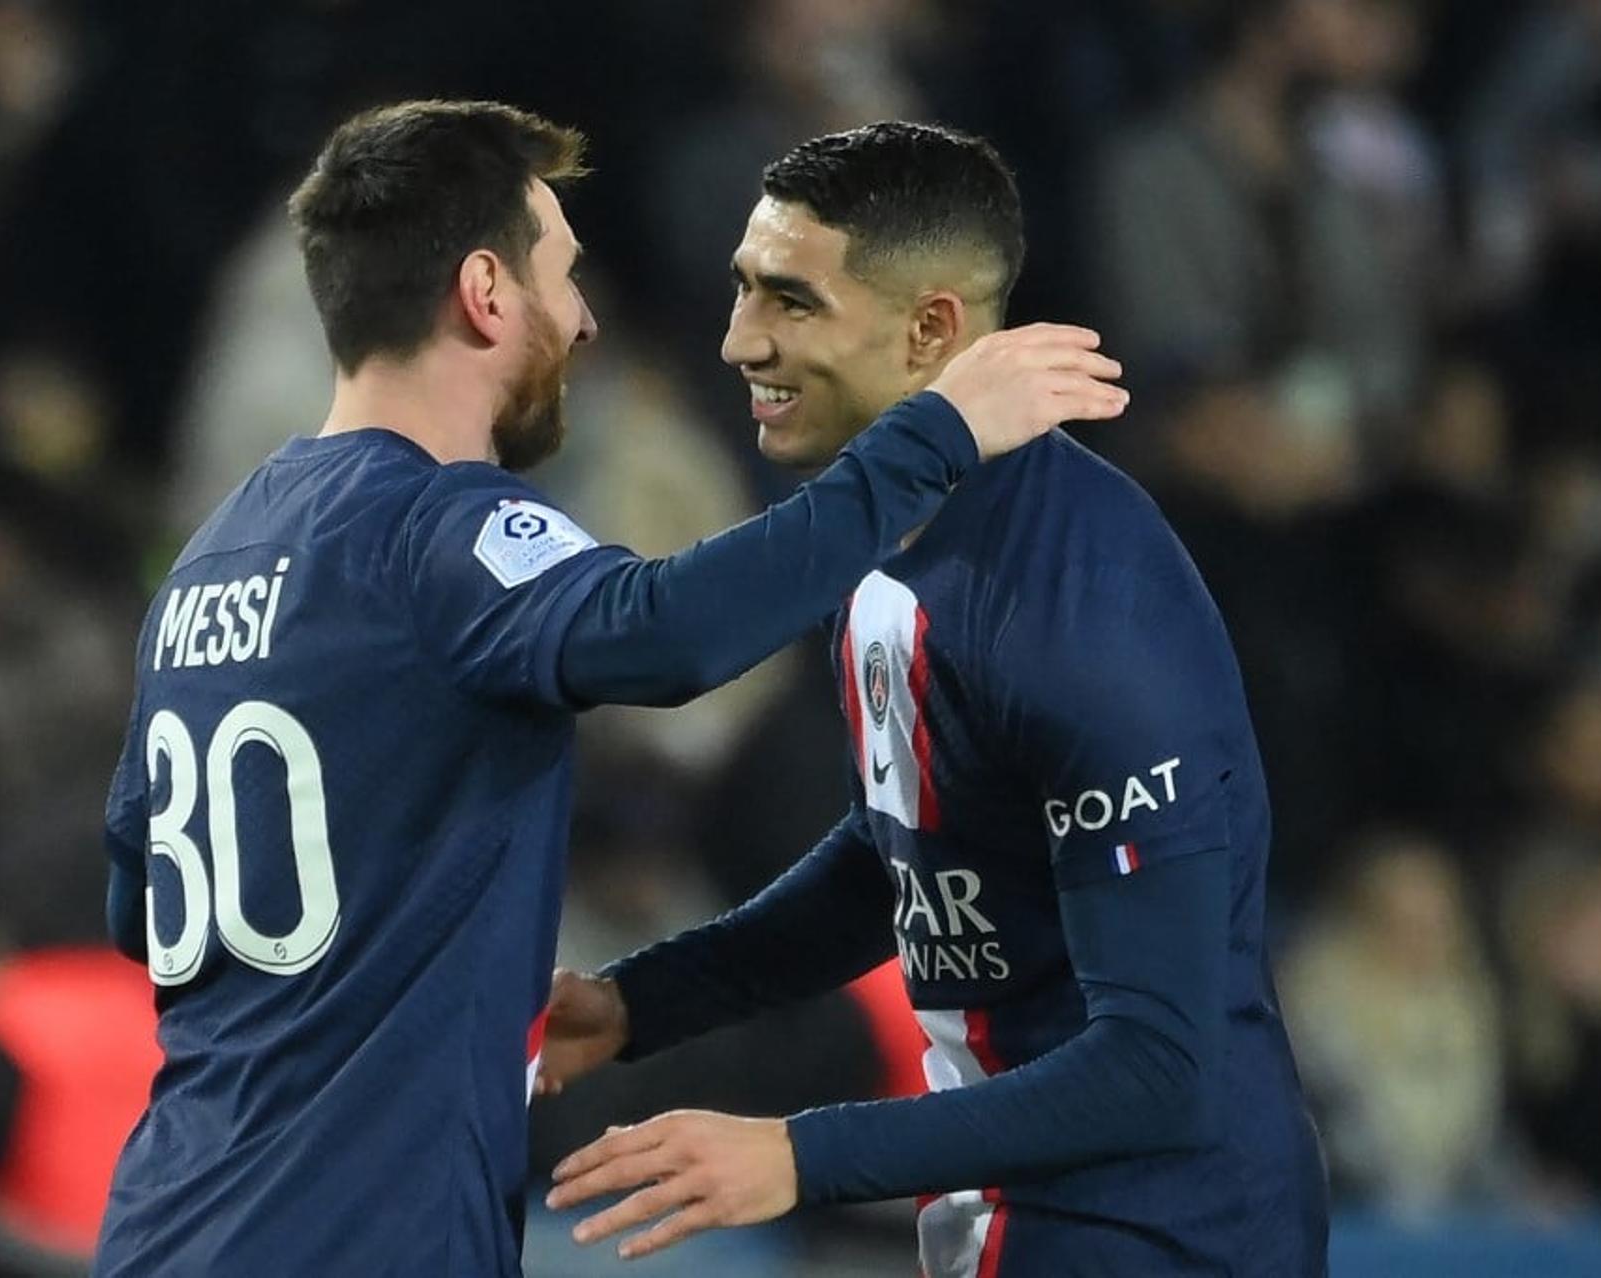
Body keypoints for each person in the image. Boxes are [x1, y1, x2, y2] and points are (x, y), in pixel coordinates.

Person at [92, 100, 1126, 1278]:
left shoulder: (218, 554)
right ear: (486, 293)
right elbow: (664, 636)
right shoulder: (439, 531)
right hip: (356, 1233)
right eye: (565, 277)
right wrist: (933, 436)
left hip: (172, 1222)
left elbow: (143, 907)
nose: (583, 323)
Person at [541, 121, 1328, 1277]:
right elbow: (906, 857)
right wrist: (640, 1005)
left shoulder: (1082, 604)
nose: (737, 342)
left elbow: (1158, 1063)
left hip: (1166, 1243)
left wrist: (800, 1155)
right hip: (1018, 1228)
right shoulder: (883, 539)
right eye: (741, 290)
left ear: (930, 333)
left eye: (791, 303)